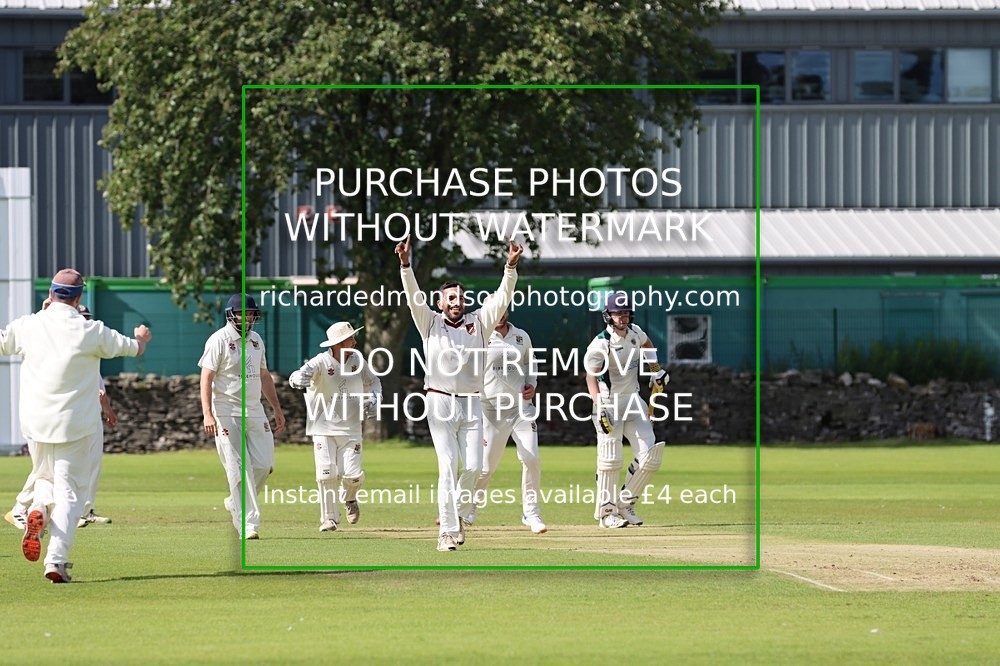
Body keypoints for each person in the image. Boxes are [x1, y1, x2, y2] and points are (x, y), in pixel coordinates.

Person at [0, 269, 151, 583]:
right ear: (80, 297)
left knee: (44, 476)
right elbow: (133, 348)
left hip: (35, 421)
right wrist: (142, 337)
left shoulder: (29, 325)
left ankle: (37, 509)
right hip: (75, 424)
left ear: (51, 294)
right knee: (70, 492)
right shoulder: (90, 330)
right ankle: (56, 560)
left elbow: (3, 343)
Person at [396, 236, 522, 552]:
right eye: (450, 298)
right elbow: (413, 297)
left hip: (471, 402)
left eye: (460, 297)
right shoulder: (430, 322)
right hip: (438, 400)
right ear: (441, 303)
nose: (456, 301)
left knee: (474, 467)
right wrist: (405, 265)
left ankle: (460, 515)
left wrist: (510, 266)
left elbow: (503, 296)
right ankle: (447, 532)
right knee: (448, 465)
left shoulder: (480, 321)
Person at [4, 303, 118, 532]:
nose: (85, 320)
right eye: (82, 316)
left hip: (79, 418)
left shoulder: (86, 342)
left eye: (87, 317)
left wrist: (106, 407)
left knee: (72, 470)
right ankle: (22, 509)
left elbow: (97, 386)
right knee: (48, 472)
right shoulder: (52, 339)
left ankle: (72, 511)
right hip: (56, 419)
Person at [199, 293, 285, 540]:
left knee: (264, 465)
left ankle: (234, 502)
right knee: (239, 468)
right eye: (241, 313)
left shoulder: (256, 340)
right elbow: (206, 377)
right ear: (230, 314)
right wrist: (207, 414)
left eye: (250, 314)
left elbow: (264, 375)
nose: (246, 317)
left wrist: (276, 408)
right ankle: (248, 524)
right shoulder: (219, 340)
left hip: (254, 409)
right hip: (226, 411)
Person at [584, 290, 668, 529]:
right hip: (608, 404)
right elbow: (591, 376)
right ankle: (606, 513)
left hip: (634, 401)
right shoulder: (601, 342)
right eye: (617, 313)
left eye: (625, 312)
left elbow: (648, 345)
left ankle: (624, 504)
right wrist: (598, 405)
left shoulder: (635, 333)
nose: (622, 317)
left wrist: (656, 369)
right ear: (608, 315)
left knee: (650, 457)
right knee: (611, 459)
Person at [288, 322, 381, 532]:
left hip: (351, 427)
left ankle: (350, 498)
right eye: (351, 338)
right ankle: (329, 519)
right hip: (322, 426)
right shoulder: (321, 361)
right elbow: (298, 375)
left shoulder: (358, 360)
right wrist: (296, 380)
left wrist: (374, 399)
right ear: (339, 343)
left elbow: (374, 382)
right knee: (327, 473)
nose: (355, 341)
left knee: (353, 475)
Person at [473, 308, 547, 534]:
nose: (500, 314)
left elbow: (529, 363)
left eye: (504, 309)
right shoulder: (479, 336)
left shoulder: (521, 336)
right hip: (491, 409)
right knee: (485, 467)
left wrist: (532, 385)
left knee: (531, 458)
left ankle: (531, 513)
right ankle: (466, 507)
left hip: (521, 409)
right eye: (496, 310)